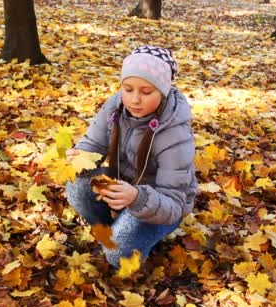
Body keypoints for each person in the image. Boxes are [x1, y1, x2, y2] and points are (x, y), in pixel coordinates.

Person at [65, 46, 198, 267]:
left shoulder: (175, 134)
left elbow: (175, 202)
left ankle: (133, 239)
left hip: (158, 202)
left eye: (146, 92)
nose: (135, 99)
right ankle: (114, 229)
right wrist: (80, 156)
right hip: (124, 186)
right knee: (77, 185)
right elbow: (93, 143)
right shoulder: (116, 106)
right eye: (128, 89)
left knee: (117, 254)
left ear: (162, 91)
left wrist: (137, 198)